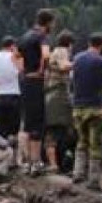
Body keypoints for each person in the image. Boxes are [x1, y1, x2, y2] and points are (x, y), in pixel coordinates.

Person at [70, 32, 102, 187]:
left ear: (89, 43)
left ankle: (77, 173)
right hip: (96, 108)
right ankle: (93, 179)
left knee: (81, 141)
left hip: (78, 107)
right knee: (96, 144)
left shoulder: (76, 59)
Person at [16, 9, 55, 174]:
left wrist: (22, 71)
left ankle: (26, 162)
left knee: (28, 121)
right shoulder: (42, 37)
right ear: (49, 23)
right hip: (36, 81)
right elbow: (46, 56)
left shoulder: (25, 36)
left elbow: (16, 55)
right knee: (38, 122)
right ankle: (36, 162)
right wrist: (41, 71)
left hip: (25, 80)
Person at [41, 29, 75, 173]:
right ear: (70, 44)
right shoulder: (62, 51)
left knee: (53, 130)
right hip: (58, 96)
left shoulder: (54, 52)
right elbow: (63, 66)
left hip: (51, 95)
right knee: (56, 130)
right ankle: (55, 164)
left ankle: (54, 163)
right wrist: (78, 63)